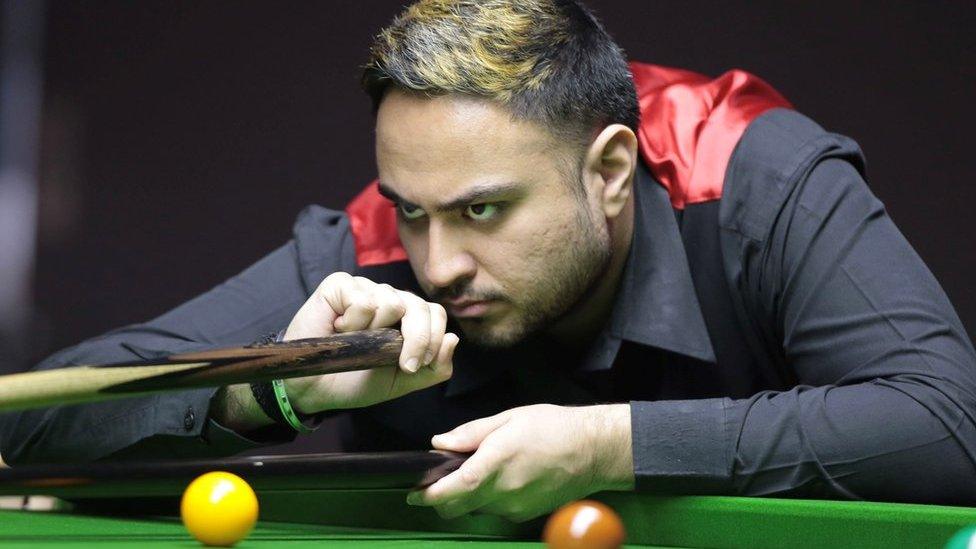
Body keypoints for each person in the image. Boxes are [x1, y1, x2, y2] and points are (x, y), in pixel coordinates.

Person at [2, 0, 975, 520]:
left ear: (607, 171)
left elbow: (947, 424)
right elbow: (44, 420)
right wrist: (280, 391)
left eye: (481, 210)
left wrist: (611, 445)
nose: (437, 262)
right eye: (413, 211)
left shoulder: (751, 170)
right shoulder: (374, 248)